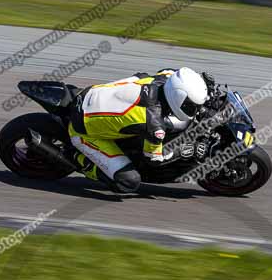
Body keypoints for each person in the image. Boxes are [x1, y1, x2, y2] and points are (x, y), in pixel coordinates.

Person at [68, 67, 208, 193]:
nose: (196, 110)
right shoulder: (154, 125)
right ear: (178, 98)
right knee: (128, 181)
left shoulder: (165, 80)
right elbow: (154, 158)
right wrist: (182, 151)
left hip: (91, 93)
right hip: (82, 130)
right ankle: (77, 159)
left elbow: (169, 71)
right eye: (192, 106)